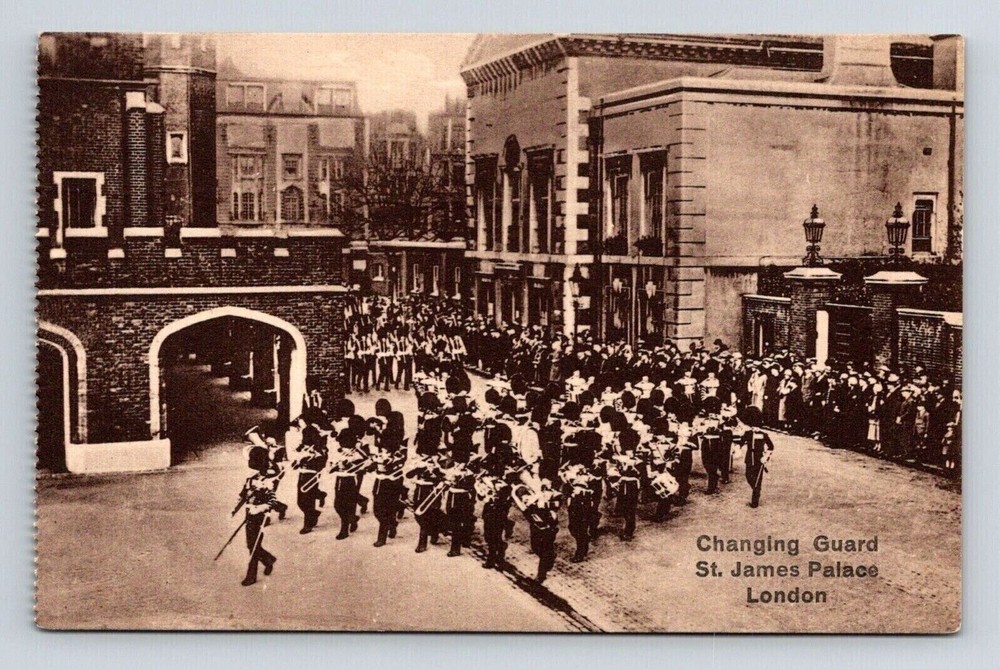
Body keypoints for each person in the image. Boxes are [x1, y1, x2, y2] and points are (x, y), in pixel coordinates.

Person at [237, 446, 280, 586]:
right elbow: (244, 493)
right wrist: (240, 500)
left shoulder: (267, 482)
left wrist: (260, 508)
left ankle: (251, 575)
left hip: (259, 514)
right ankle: (268, 559)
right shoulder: (251, 479)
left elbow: (272, 501)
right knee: (251, 544)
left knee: (254, 545)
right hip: (249, 512)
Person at [740, 407, 774, 508]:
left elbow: (771, 447)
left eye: (757, 426)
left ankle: (755, 500)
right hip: (749, 457)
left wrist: (766, 457)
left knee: (758, 480)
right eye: (753, 426)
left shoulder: (764, 435)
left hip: (759, 459)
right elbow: (741, 442)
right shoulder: (748, 434)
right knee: (748, 475)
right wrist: (736, 446)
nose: (755, 428)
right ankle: (756, 489)